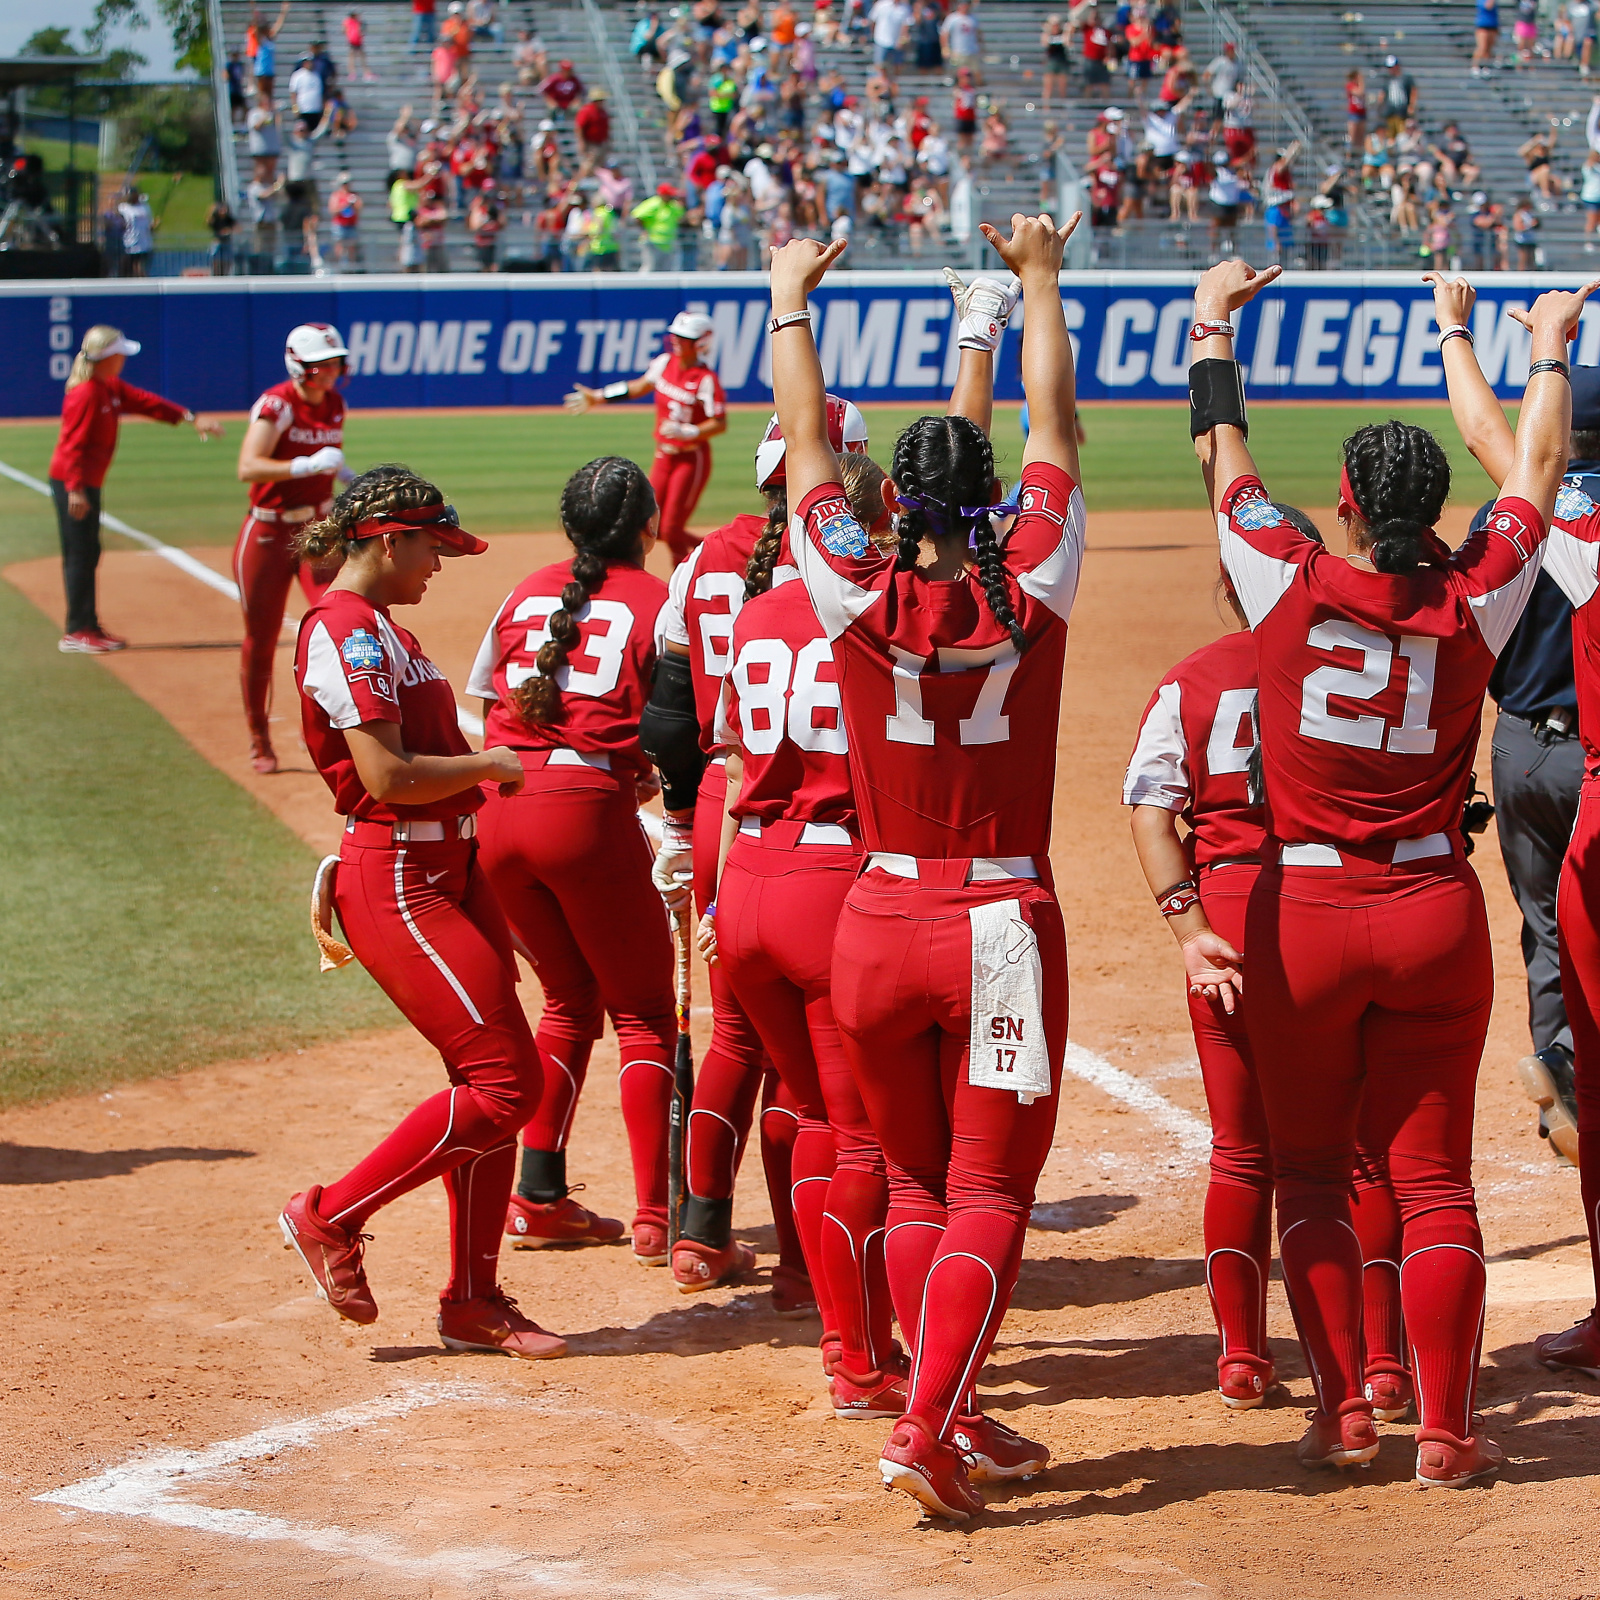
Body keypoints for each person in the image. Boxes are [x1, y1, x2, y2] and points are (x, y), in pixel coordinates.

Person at [1188, 257, 1590, 1486]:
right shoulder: (1479, 592)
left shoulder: (1289, 580)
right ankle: (1452, 1433)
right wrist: (1546, 348)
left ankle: (1342, 1411)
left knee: (1309, 1171)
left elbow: (1223, 456)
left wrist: (1211, 325)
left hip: (1301, 906)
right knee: (1435, 1182)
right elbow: (1532, 471)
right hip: (1428, 906)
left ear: (1349, 505)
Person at [771, 217, 1084, 1519]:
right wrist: (1038, 282)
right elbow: (1057, 427)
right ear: (996, 495)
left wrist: (789, 297)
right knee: (992, 1189)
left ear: (891, 503)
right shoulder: (1036, 582)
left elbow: (799, 445)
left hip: (876, 917)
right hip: (1001, 920)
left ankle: (945, 1403)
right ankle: (926, 1422)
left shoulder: (848, 581)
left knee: (908, 1182)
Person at [280, 466, 564, 1361]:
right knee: (506, 1084)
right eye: (433, 548)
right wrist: (489, 764)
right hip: (401, 877)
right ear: (387, 539)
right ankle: (329, 1215)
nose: (441, 565)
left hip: (448, 867)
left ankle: (474, 1300)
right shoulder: (345, 633)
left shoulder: (378, 630)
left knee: (500, 1080)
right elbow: (387, 779)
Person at [641, 397, 871, 1309]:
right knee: (813, 1072)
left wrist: (673, 820)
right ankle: (810, 1261)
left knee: (730, 1035)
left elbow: (667, 719)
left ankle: (696, 1231)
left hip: (725, 812)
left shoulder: (702, 560)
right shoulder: (855, 585)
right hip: (818, 834)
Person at [463, 458, 678, 1262]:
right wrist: (642, 769)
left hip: (499, 812)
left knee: (568, 998)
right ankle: (659, 1216)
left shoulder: (525, 589)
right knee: (648, 1016)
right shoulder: (659, 598)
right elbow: (675, 722)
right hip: (582, 817)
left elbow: (490, 703)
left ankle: (539, 1193)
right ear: (649, 528)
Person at [47, 327, 222, 655]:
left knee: (89, 552)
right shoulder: (85, 393)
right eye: (120, 353)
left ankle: (88, 623)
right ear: (106, 357)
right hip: (75, 483)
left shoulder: (108, 386)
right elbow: (71, 443)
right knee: (80, 554)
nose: (125, 358)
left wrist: (189, 416)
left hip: (87, 482)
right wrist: (74, 489)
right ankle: (77, 630)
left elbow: (146, 402)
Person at [235, 323, 353, 774]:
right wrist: (304, 463)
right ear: (299, 367)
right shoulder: (276, 404)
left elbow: (330, 461)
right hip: (267, 532)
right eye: (322, 364)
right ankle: (259, 737)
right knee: (260, 639)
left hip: (318, 530)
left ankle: (335, 731)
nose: (332, 372)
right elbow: (249, 466)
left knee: (339, 625)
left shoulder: (336, 403)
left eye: (335, 363)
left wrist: (344, 475)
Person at [565, 312, 727, 566]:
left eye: (684, 337)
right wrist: (599, 396)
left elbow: (720, 422)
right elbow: (638, 386)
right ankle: (722, 552)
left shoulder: (705, 379)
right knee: (652, 521)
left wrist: (690, 431)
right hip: (663, 455)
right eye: (675, 335)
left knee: (672, 527)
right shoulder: (664, 363)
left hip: (690, 458)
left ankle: (687, 577)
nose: (676, 340)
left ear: (700, 343)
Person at [328, 173, 363, 268]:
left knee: (352, 247)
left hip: (351, 224)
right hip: (340, 225)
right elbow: (333, 210)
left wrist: (354, 204)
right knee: (339, 246)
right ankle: (340, 266)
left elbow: (359, 208)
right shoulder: (336, 196)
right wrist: (345, 205)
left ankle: (351, 267)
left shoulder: (354, 195)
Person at [117, 189, 154, 277]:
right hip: (130, 244)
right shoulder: (124, 208)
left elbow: (149, 223)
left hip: (144, 244)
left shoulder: (145, 207)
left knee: (140, 267)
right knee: (129, 270)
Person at [344, 9, 374, 80]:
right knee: (352, 58)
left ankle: (366, 73)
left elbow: (362, 30)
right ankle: (352, 73)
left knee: (362, 57)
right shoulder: (348, 21)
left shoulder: (358, 22)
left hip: (358, 41)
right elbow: (345, 30)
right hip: (352, 41)